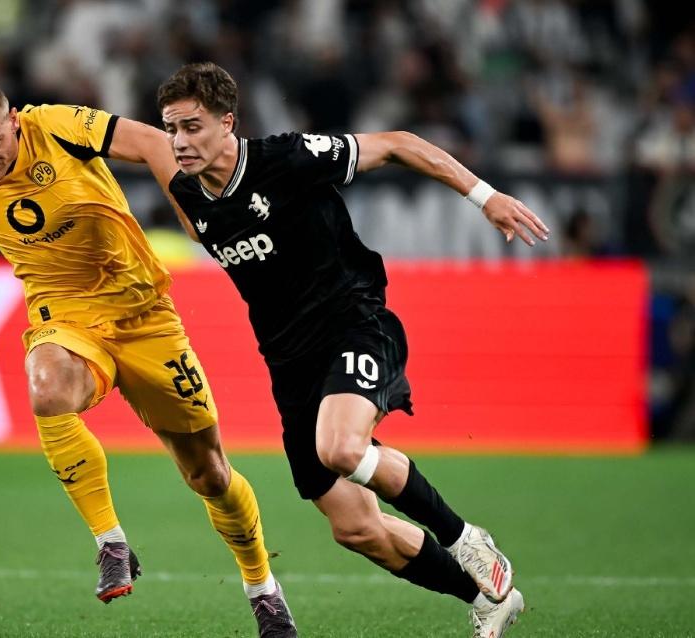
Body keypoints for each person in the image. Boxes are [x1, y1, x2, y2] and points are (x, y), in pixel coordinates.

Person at [0, 79, 297, 637]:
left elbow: (153, 142)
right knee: (47, 388)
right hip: (67, 319)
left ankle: (262, 589)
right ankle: (111, 543)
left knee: (209, 473)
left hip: (145, 316)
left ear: (14, 121)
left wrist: (195, 214)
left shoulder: (59, 126)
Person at [157, 62, 550, 638]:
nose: (179, 141)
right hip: (290, 366)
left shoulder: (287, 158)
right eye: (170, 129)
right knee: (356, 529)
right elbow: (182, 200)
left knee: (341, 448)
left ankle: (466, 538)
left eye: (192, 126)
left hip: (355, 326)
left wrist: (484, 196)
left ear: (227, 122)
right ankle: (489, 598)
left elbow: (397, 144)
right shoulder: (189, 195)